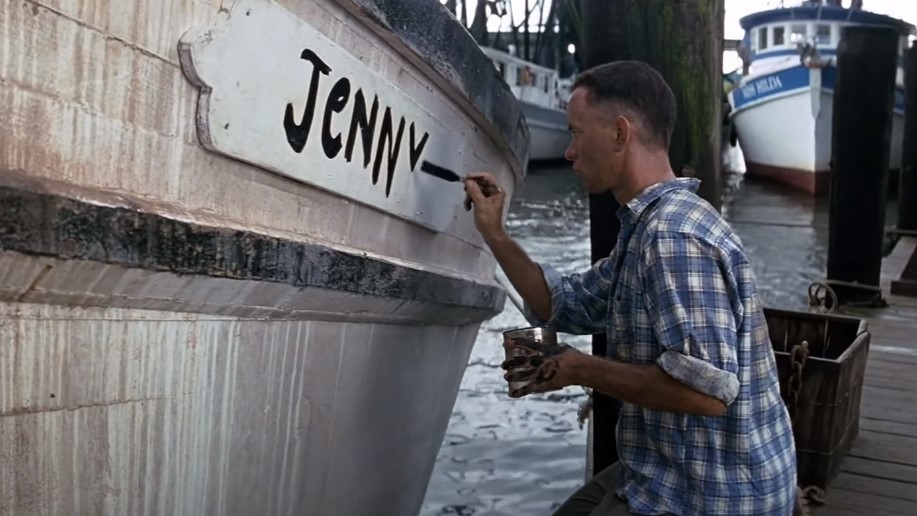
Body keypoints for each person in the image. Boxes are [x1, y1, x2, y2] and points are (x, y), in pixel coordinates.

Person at [463, 61, 797, 515]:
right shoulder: (645, 230)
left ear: (620, 134)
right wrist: (495, 233)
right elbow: (566, 303)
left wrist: (580, 369)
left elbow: (708, 393)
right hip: (664, 470)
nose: (568, 152)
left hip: (715, 496)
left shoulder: (673, 238)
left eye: (576, 133)